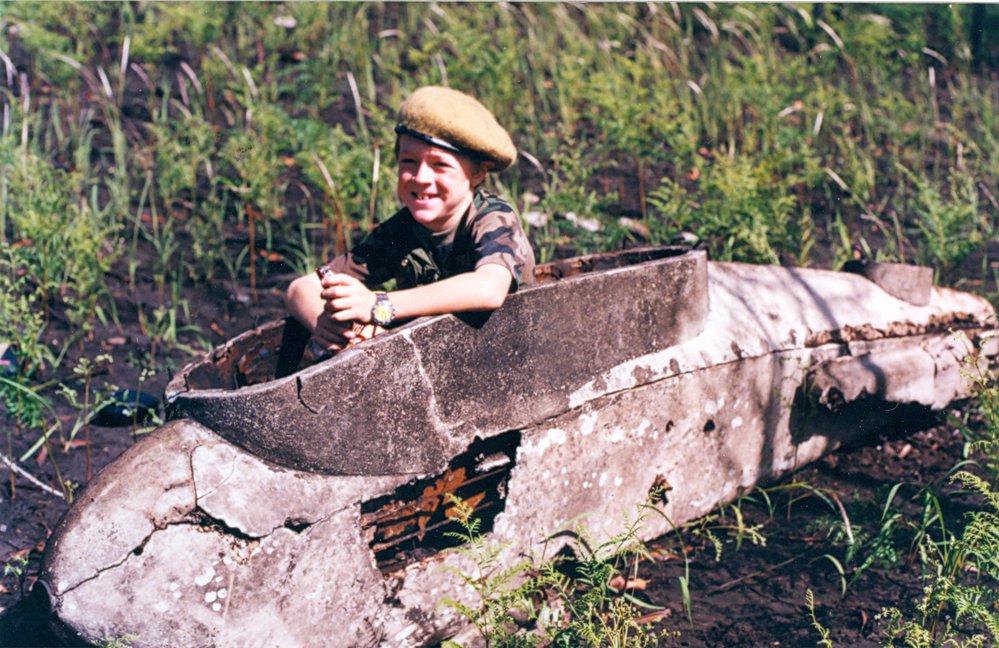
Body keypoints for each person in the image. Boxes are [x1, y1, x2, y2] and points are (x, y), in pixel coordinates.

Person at [286, 86, 535, 354]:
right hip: (440, 359)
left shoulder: (491, 217)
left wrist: (379, 306)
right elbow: (301, 287)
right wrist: (325, 325)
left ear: (477, 174)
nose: (421, 177)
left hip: (511, 352)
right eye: (408, 161)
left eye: (440, 165)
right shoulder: (400, 231)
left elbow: (489, 288)